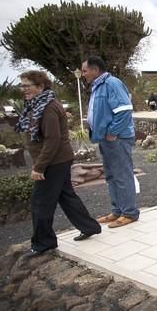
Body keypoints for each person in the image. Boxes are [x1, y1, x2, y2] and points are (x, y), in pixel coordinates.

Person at [15, 70, 101, 257]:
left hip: (53, 161)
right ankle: (89, 227)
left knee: (40, 203)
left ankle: (43, 244)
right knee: (66, 196)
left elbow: (52, 140)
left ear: (40, 86)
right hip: (56, 159)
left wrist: (39, 167)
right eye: (22, 86)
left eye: (27, 86)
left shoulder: (48, 108)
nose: (23, 89)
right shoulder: (37, 104)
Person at [82, 56, 139, 228]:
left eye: (85, 70)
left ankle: (129, 213)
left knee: (122, 174)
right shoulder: (98, 86)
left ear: (95, 70)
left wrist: (113, 132)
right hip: (105, 138)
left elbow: (125, 110)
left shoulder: (112, 83)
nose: (83, 74)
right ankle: (117, 211)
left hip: (117, 138)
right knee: (111, 175)